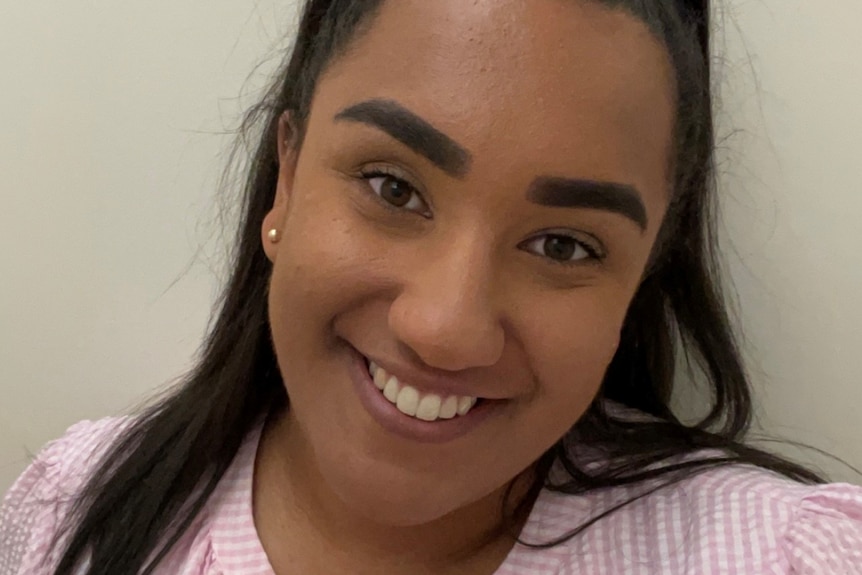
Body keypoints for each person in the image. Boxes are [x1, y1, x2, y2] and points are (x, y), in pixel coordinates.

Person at [2, 0, 861, 573]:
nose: (446, 327)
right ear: (288, 179)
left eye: (563, 244)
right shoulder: (75, 512)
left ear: (640, 278)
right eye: (392, 187)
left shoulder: (776, 555)